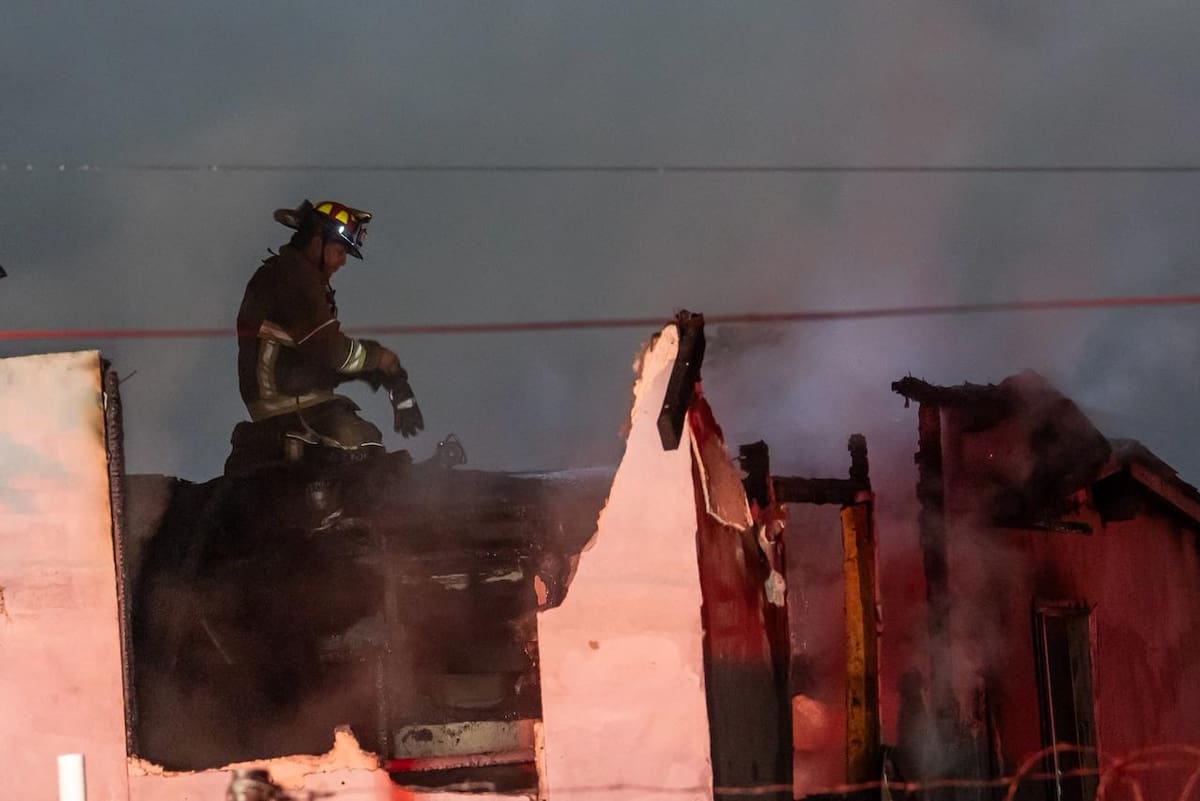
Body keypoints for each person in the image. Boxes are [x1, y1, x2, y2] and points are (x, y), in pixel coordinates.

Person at [226, 200, 423, 472]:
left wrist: (390, 378)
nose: (342, 262)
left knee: (365, 454)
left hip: (302, 398)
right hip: (286, 404)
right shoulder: (292, 278)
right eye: (340, 251)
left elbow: (318, 361)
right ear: (317, 242)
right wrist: (385, 361)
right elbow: (335, 354)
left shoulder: (298, 277)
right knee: (360, 444)